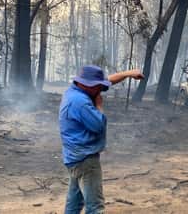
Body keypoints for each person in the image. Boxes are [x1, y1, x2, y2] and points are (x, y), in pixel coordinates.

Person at [59, 65, 144, 214]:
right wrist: (99, 105)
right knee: (95, 207)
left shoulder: (73, 91)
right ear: (87, 85)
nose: (100, 89)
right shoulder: (81, 102)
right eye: (97, 86)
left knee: (73, 205)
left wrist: (128, 74)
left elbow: (106, 82)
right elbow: (98, 126)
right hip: (86, 161)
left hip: (74, 158)